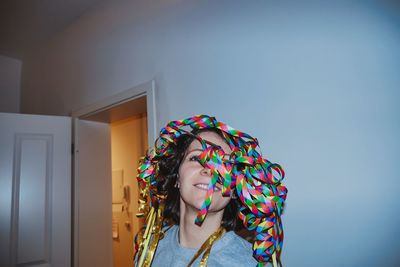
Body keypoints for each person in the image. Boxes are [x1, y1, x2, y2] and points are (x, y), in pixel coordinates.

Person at [134, 115, 287, 267]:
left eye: (224, 163)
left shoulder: (249, 263)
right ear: (177, 178)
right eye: (195, 158)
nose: (209, 170)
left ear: (235, 190)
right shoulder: (148, 248)